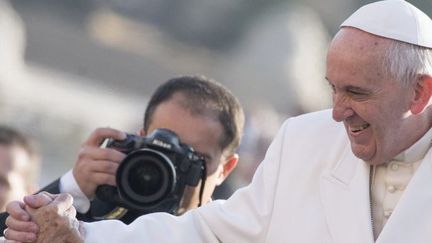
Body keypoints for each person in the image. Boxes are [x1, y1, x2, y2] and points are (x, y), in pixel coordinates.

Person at [5, 0, 432, 242]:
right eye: (332, 89)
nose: (337, 112)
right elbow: (205, 232)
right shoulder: (305, 139)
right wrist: (79, 234)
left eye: (357, 93)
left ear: (419, 92)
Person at [3, 75, 244, 241]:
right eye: (163, 148)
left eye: (193, 157)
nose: (170, 167)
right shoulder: (92, 208)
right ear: (141, 138)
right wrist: (72, 188)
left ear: (225, 168)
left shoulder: (228, 235)